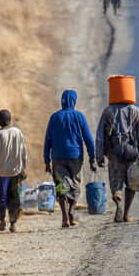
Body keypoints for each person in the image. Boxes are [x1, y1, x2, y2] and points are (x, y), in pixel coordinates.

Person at [43, 90, 96, 228]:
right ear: (74, 101)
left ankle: (65, 217)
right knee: (75, 185)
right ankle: (72, 210)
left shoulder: (54, 117)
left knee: (61, 187)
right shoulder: (79, 116)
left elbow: (47, 140)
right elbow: (89, 139)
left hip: (57, 158)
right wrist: (92, 158)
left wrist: (46, 160)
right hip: (75, 157)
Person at [96, 98, 139, 223]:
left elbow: (100, 135)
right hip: (132, 152)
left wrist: (99, 155)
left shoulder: (108, 111)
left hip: (114, 153)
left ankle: (118, 205)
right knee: (132, 183)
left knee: (115, 181)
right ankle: (127, 214)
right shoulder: (136, 111)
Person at [0, 110, 28, 232]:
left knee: (1, 197)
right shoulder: (18, 132)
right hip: (15, 171)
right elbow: (23, 153)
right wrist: (23, 168)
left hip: (0, 172)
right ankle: (13, 223)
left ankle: (2, 222)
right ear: (10, 120)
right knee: (14, 197)